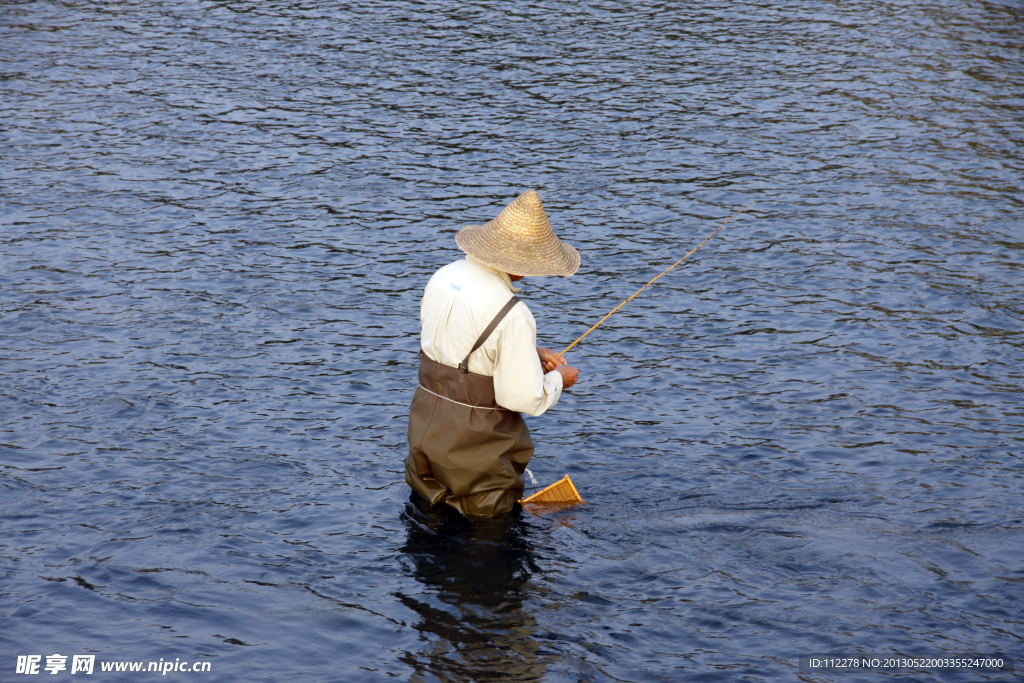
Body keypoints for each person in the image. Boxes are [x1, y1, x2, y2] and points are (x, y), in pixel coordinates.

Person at [406, 189, 581, 516]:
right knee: (487, 544)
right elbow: (523, 399)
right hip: (477, 448)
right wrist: (559, 379)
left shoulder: (443, 277)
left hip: (425, 423)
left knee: (428, 522)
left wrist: (529, 351)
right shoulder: (512, 313)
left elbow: (454, 346)